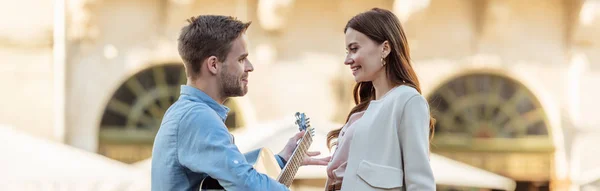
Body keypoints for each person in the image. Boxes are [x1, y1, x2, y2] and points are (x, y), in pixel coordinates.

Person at [151, 15, 330, 191]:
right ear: (213, 65)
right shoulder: (198, 117)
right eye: (241, 59)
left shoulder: (188, 113)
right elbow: (246, 183)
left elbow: (227, 179)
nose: (250, 66)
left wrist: (282, 160)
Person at [325, 8, 436, 191]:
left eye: (354, 49)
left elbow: (420, 183)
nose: (347, 60)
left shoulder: (407, 101)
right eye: (347, 51)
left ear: (385, 48)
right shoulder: (362, 112)